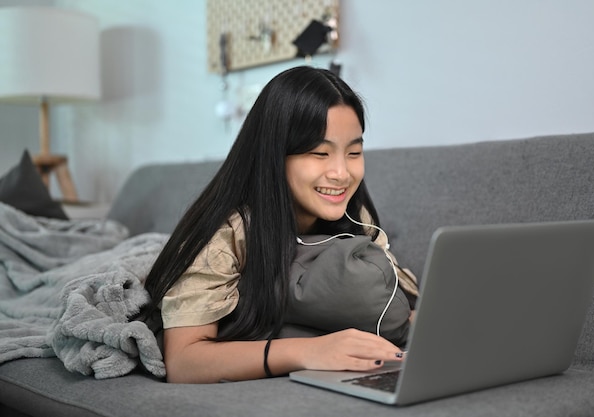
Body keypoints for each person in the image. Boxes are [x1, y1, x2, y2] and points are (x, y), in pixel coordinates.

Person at [143, 66, 418, 384]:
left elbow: (400, 301)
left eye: (354, 152)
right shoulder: (225, 233)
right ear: (274, 154)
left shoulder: (356, 218)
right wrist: (309, 351)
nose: (341, 173)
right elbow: (184, 361)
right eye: (320, 153)